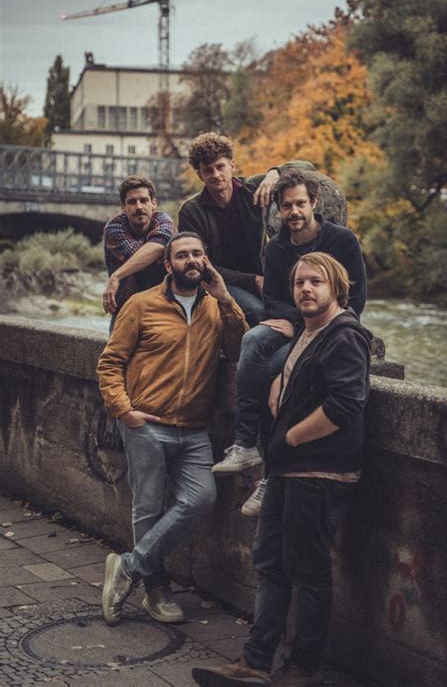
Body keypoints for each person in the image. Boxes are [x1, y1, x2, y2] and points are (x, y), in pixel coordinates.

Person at [192, 252, 372, 687]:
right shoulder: (310, 334)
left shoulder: (346, 335)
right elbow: (301, 376)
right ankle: (255, 661)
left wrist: (290, 437)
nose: (306, 289)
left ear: (337, 289)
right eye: (299, 283)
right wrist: (279, 379)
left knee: (309, 572)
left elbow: (344, 407)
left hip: (320, 473)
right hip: (287, 472)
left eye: (316, 282)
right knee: (270, 563)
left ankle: (303, 669)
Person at [97, 231, 248, 625]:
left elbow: (239, 349)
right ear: (168, 264)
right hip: (147, 423)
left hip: (194, 428)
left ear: (206, 259)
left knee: (201, 498)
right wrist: (124, 411)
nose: (192, 261)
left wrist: (227, 298)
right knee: (147, 508)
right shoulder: (141, 305)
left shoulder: (215, 307)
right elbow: (110, 363)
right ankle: (156, 590)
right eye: (183, 255)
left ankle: (128, 566)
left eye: (198, 254)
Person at [212, 169, 367, 517]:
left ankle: (271, 470)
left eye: (300, 204)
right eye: (286, 206)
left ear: (313, 203)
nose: (294, 212)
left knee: (278, 373)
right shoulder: (278, 249)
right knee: (253, 339)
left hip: (330, 330)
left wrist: (305, 322)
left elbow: (356, 299)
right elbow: (273, 302)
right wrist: (293, 322)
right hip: (290, 326)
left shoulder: (342, 240)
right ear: (278, 211)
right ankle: (245, 443)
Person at [178, 132, 315, 328]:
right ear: (199, 174)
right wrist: (253, 280)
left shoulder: (252, 189)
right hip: (225, 282)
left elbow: (307, 167)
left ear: (232, 165)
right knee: (259, 311)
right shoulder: (192, 211)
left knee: (301, 305)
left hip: (266, 274)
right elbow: (203, 264)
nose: (216, 175)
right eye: (208, 170)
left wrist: (274, 173)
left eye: (220, 167)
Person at [102, 174, 176, 327]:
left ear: (153, 203)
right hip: (126, 310)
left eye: (143, 200)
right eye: (132, 202)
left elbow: (158, 246)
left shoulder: (163, 220)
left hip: (163, 307)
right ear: (123, 207)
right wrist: (156, 253)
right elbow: (141, 257)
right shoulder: (114, 227)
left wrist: (116, 276)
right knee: (116, 351)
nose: (139, 207)